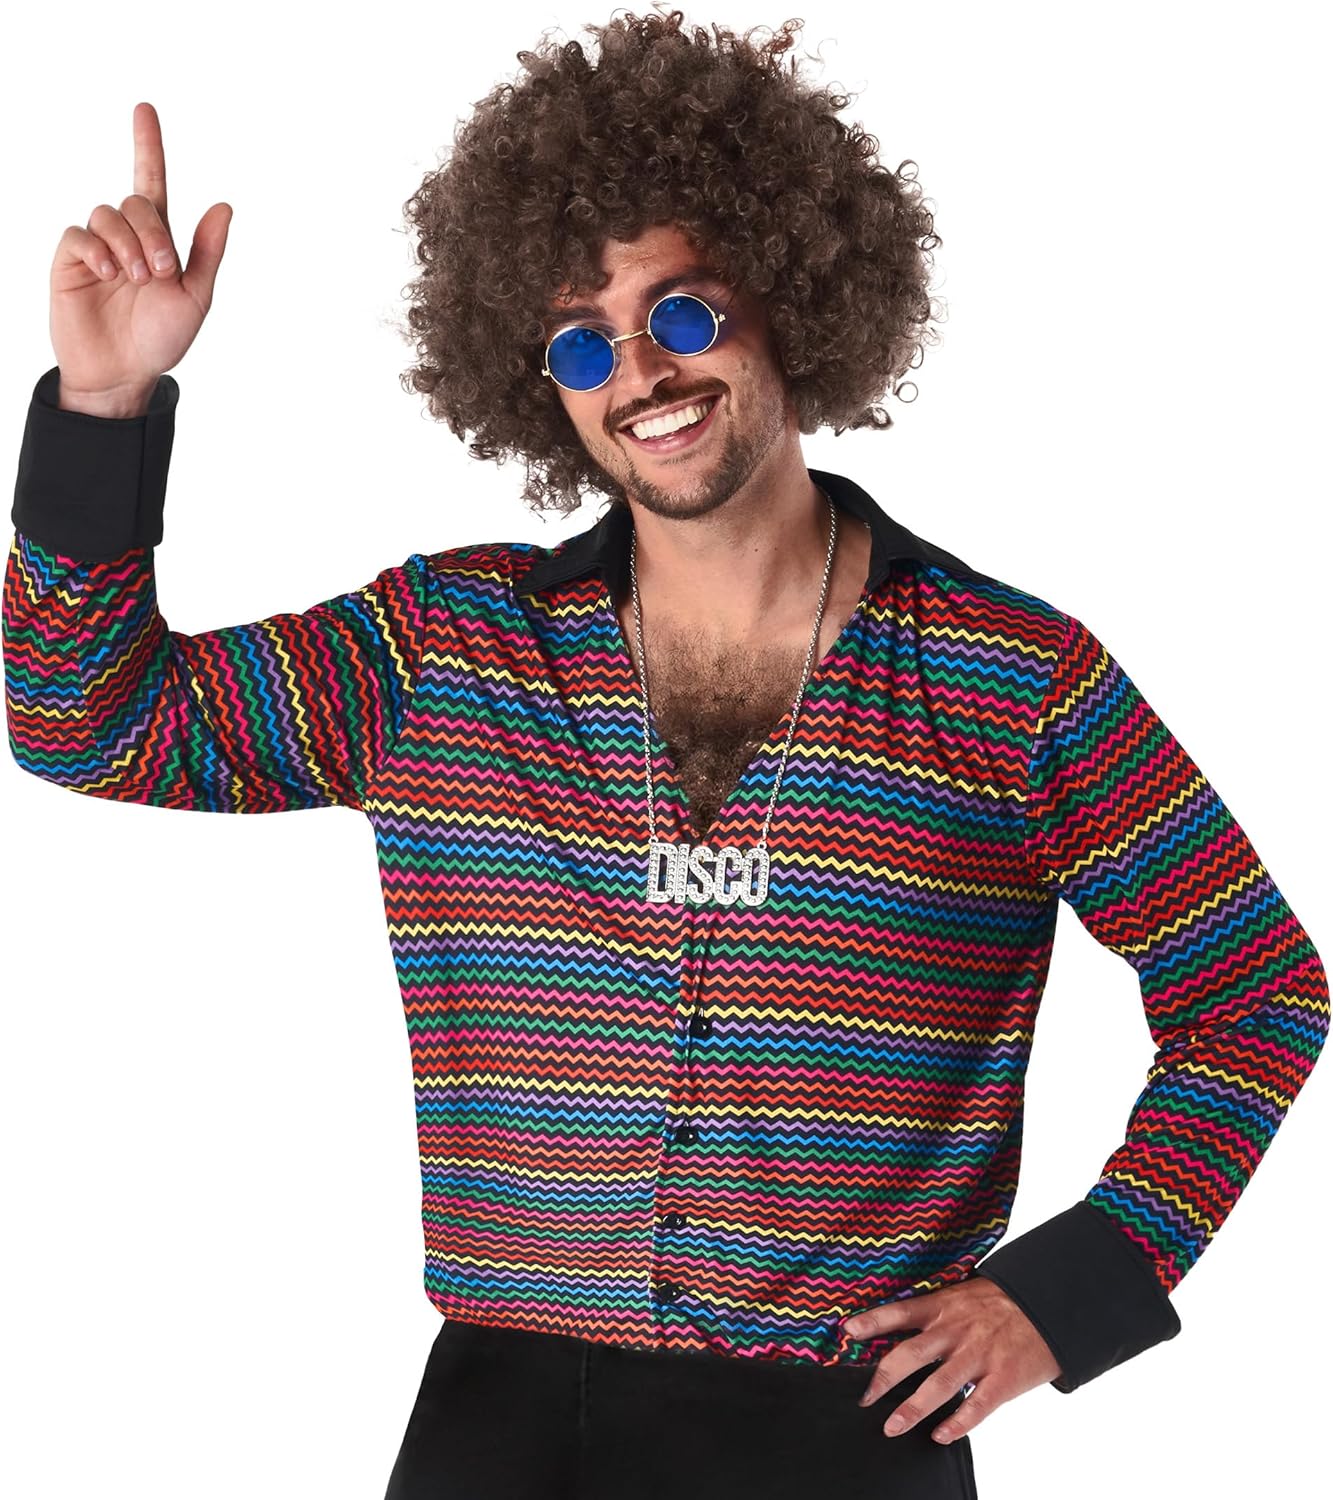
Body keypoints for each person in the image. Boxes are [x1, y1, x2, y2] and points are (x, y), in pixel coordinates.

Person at [4, 11, 1327, 1500]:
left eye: (684, 313)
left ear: (791, 297)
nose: (640, 371)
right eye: (583, 342)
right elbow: (88, 721)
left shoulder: (1014, 679)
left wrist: (1066, 1298)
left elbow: (1254, 991)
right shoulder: (443, 650)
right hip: (499, 1432)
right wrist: (103, 406)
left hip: (850, 1433)